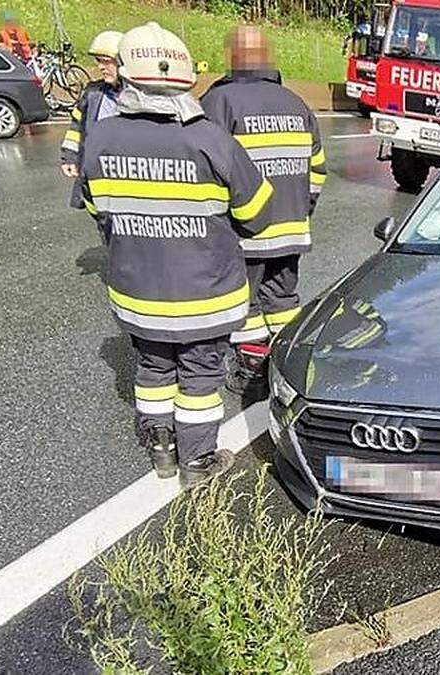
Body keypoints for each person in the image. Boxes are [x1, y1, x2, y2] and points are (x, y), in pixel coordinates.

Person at [79, 22, 273, 486]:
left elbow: (95, 208)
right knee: (201, 377)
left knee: (152, 368)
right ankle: (198, 462)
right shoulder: (211, 140)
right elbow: (258, 212)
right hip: (205, 295)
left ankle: (162, 450)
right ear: (186, 80)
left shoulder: (101, 140)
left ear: (128, 76)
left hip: (137, 292)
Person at [200, 24, 327, 395]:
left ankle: (253, 368)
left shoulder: (218, 102)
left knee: (248, 303)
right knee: (283, 298)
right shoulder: (296, 103)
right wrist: (302, 209)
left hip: (245, 232)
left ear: (234, 57)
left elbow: (206, 168)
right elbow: (317, 167)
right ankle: (284, 362)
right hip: (291, 227)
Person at [61, 30, 124, 237]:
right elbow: (77, 124)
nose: (101, 67)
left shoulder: (141, 94)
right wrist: (70, 156)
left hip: (126, 174)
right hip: (98, 173)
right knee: (104, 223)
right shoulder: (93, 93)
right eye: (99, 61)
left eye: (107, 62)